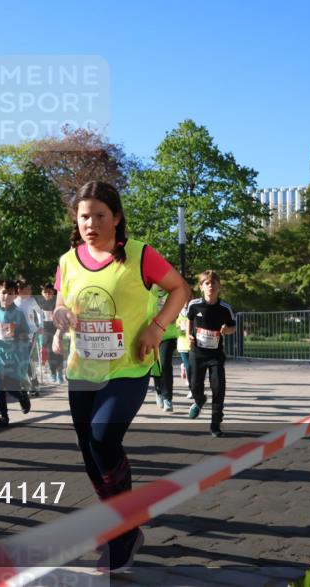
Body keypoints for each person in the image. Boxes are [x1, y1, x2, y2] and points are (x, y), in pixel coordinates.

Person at [51, 181, 190, 573]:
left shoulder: (140, 255)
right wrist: (60, 319)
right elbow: (63, 303)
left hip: (129, 366)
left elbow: (180, 288)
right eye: (83, 216)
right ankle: (121, 528)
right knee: (90, 453)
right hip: (83, 370)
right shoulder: (67, 260)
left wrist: (158, 326)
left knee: (102, 436)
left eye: (99, 215)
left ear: (116, 216)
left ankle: (122, 528)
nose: (90, 223)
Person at [185, 271, 237, 435]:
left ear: (219, 286)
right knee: (195, 386)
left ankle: (215, 424)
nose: (211, 286)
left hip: (215, 355)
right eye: (207, 283)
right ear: (201, 287)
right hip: (197, 353)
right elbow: (190, 319)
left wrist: (227, 330)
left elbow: (233, 326)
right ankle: (200, 400)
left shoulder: (225, 308)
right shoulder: (194, 305)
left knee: (218, 387)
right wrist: (188, 334)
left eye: (214, 283)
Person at [0, 279, 32, 429]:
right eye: (3, 292)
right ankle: (2, 415)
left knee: (10, 386)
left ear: (15, 294)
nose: (6, 296)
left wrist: (17, 334)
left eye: (10, 293)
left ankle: (21, 396)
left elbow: (25, 334)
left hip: (13, 356)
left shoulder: (19, 314)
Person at [152, 286, 181, 413]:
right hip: (151, 335)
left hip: (168, 335)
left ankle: (168, 398)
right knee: (155, 366)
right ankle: (158, 391)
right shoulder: (148, 293)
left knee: (165, 364)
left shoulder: (172, 294)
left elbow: (177, 314)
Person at [14, 277, 43, 396]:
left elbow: (40, 312)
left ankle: (32, 384)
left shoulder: (31, 301)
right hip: (17, 334)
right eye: (28, 289)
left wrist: (40, 325)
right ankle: (31, 382)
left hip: (31, 333)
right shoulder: (14, 301)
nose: (30, 291)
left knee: (26, 357)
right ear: (20, 290)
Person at [38, 283, 64, 383]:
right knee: (50, 352)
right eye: (45, 292)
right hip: (46, 330)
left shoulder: (57, 301)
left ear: (53, 292)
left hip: (57, 328)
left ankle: (60, 373)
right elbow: (37, 316)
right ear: (42, 292)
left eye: (50, 292)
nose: (48, 294)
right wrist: (38, 327)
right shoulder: (40, 302)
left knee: (58, 351)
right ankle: (53, 372)